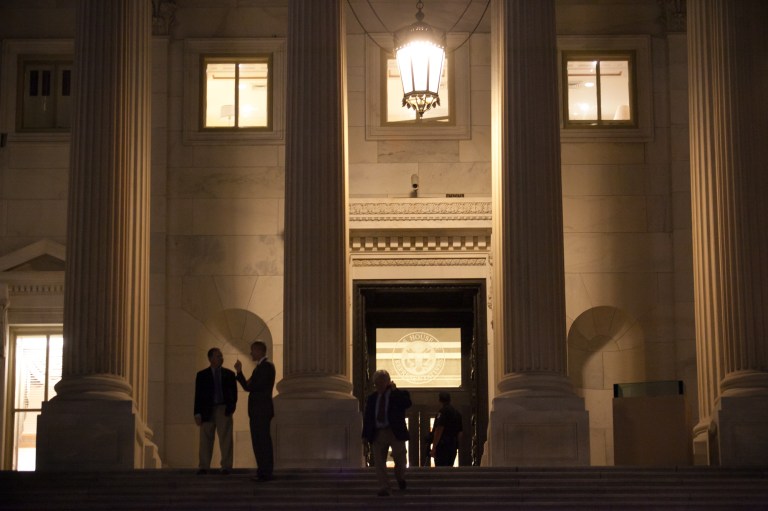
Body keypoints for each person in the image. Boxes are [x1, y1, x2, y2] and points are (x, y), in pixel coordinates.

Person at [362, 369, 412, 497]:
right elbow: (368, 417)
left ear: (388, 382)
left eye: (382, 383)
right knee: (379, 462)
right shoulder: (372, 398)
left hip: (395, 432)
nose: (379, 386)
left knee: (400, 458)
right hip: (378, 433)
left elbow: (407, 403)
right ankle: (385, 487)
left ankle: (400, 478)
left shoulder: (398, 394)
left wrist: (394, 390)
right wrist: (365, 435)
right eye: (377, 383)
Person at [234, 340, 275, 482]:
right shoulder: (259, 368)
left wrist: (241, 375)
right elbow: (247, 386)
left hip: (262, 410)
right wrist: (239, 372)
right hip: (257, 411)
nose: (251, 353)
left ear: (259, 351)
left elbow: (253, 386)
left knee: (262, 441)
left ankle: (266, 472)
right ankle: (262, 471)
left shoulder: (267, 367)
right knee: (258, 441)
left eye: (253, 350)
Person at [193, 347, 238, 475]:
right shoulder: (201, 375)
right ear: (210, 358)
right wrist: (197, 413)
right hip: (207, 409)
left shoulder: (229, 374)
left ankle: (226, 466)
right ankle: (204, 466)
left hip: (223, 408)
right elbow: (198, 395)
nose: (221, 358)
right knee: (205, 439)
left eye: (221, 356)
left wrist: (231, 407)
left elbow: (234, 394)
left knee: (226, 438)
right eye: (218, 356)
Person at [429, 391, 463, 467]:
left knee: (441, 468)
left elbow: (439, 429)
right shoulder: (457, 413)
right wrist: (457, 444)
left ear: (440, 401)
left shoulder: (442, 412)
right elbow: (460, 432)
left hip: (442, 444)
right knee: (449, 467)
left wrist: (434, 447)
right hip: (453, 444)